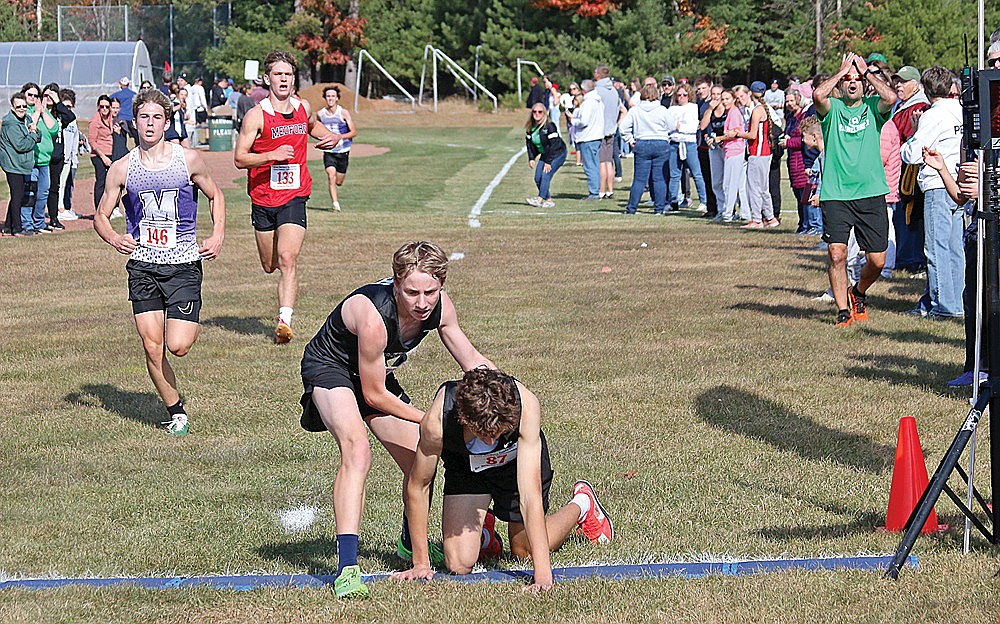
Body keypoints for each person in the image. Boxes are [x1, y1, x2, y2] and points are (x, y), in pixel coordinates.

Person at [298, 241, 494, 598]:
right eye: (412, 292)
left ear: (441, 286)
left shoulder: (439, 307)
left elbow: (471, 359)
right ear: (395, 282)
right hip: (330, 369)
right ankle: (347, 569)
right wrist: (431, 420)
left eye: (430, 292)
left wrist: (509, 393)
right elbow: (373, 396)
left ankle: (410, 545)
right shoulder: (373, 315)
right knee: (357, 450)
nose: (422, 302)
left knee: (423, 460)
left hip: (373, 373)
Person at [390, 367, 614, 593]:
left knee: (524, 551)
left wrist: (543, 577)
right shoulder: (437, 421)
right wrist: (420, 563)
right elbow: (419, 486)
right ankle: (484, 534)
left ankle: (582, 505)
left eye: (496, 433)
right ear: (464, 418)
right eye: (482, 433)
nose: (488, 442)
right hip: (467, 468)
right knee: (458, 563)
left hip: (514, 464)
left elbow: (530, 495)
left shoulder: (526, 405)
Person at [93, 88, 226, 436]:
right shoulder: (122, 168)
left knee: (178, 346)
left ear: (167, 122)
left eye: (156, 118)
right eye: (144, 117)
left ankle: (176, 389)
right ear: (134, 122)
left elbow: (216, 195)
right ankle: (176, 412)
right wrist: (115, 237)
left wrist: (217, 235)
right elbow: (101, 216)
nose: (149, 124)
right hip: (143, 265)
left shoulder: (189, 160)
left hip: (182, 264)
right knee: (152, 347)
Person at [235, 50, 339, 344]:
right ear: (267, 79)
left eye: (289, 74)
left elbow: (311, 126)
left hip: (295, 194)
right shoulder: (256, 115)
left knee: (288, 258)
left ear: (294, 79)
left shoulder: (303, 107)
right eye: (278, 74)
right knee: (270, 265)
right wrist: (272, 155)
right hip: (263, 197)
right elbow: (240, 158)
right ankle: (281, 302)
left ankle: (284, 321)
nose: (284, 79)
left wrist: (326, 134)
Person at [813, 52, 896, 327]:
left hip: (871, 192)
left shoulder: (874, 107)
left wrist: (867, 72)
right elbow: (817, 96)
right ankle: (842, 311)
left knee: (878, 260)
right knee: (837, 254)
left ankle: (857, 292)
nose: (852, 84)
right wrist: (841, 71)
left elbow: (891, 98)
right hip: (837, 194)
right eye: (848, 80)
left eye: (856, 80)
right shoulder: (832, 109)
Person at [900, 66, 965, 319]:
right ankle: (957, 300)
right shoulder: (960, 111)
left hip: (937, 183)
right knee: (954, 247)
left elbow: (914, 153)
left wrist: (912, 137)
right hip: (957, 182)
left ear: (926, 90)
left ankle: (944, 305)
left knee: (937, 248)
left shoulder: (933, 114)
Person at [728, 81, 779, 228]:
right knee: (762, 187)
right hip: (763, 152)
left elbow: (752, 135)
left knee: (754, 187)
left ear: (751, 93)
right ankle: (770, 218)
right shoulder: (763, 108)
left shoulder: (757, 110)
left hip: (758, 152)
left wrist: (737, 134)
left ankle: (756, 219)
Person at [619, 83, 671, 215]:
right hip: (660, 143)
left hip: (641, 143)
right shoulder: (662, 110)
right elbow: (671, 126)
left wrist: (630, 140)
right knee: (659, 178)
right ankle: (659, 209)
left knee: (639, 179)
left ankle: (631, 208)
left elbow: (623, 128)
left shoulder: (636, 110)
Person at [0, 93, 41, 236]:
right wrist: (33, 134)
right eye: (19, 106)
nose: (22, 109)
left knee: (17, 195)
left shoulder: (27, 118)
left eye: (24, 106)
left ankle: (8, 226)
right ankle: (17, 229)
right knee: (17, 195)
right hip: (12, 164)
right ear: (12, 107)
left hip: (21, 164)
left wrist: (34, 133)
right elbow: (21, 145)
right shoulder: (10, 123)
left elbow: (38, 134)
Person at [23, 83, 60, 235]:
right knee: (29, 193)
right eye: (30, 95)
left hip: (45, 161)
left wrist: (43, 112)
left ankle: (39, 222)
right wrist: (37, 112)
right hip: (31, 161)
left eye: (36, 95)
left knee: (43, 192)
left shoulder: (44, 112)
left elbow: (54, 129)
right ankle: (27, 223)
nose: (33, 98)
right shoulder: (24, 111)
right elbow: (28, 125)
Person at [666, 83, 708, 212]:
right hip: (674, 143)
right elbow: (668, 126)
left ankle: (703, 201)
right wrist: (675, 128)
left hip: (689, 143)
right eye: (679, 95)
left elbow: (693, 127)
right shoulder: (672, 109)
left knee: (696, 173)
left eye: (685, 94)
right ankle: (673, 201)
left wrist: (680, 127)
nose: (682, 97)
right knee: (674, 174)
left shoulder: (693, 107)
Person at [317, 85, 357, 212]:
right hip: (329, 152)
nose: (330, 98)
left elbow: (353, 132)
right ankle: (335, 204)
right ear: (325, 98)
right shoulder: (320, 114)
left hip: (343, 151)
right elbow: (317, 130)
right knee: (331, 176)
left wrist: (339, 137)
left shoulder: (343, 113)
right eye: (328, 96)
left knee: (339, 181)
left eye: (333, 96)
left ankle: (337, 190)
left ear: (337, 98)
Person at [714, 88, 748, 223]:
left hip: (735, 150)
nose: (724, 101)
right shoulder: (732, 112)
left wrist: (719, 138)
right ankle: (746, 213)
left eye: (727, 99)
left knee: (729, 184)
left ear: (733, 99)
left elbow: (734, 133)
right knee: (739, 184)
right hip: (733, 150)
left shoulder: (734, 112)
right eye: (723, 99)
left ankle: (727, 214)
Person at [524, 102, 567, 208]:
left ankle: (539, 200)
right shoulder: (530, 128)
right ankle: (549, 200)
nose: (537, 114)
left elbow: (555, 145)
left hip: (557, 153)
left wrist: (548, 162)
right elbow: (529, 145)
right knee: (538, 178)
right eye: (534, 111)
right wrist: (531, 158)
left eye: (540, 112)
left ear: (544, 113)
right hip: (546, 154)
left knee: (545, 175)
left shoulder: (550, 126)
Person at [571, 79, 605, 201]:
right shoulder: (598, 101)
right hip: (596, 136)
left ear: (584, 90)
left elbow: (584, 121)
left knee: (590, 166)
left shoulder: (589, 102)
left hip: (588, 137)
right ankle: (596, 191)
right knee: (595, 165)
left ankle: (594, 192)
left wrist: (573, 121)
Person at [56, 88, 82, 224]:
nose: (68, 110)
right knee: (58, 185)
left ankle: (66, 207)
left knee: (67, 185)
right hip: (60, 158)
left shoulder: (72, 120)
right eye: (65, 106)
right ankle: (59, 209)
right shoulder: (59, 119)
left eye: (70, 107)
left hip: (69, 159)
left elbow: (75, 138)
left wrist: (74, 159)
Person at [701, 84, 728, 215]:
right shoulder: (709, 110)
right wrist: (710, 108)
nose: (716, 97)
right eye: (714, 94)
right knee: (716, 181)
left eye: (719, 94)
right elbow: (703, 126)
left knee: (727, 181)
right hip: (714, 148)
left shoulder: (728, 110)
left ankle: (731, 209)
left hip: (727, 147)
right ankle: (720, 209)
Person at [89, 94, 115, 211]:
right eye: (102, 106)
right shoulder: (95, 120)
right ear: (98, 107)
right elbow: (92, 141)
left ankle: (110, 207)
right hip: (99, 154)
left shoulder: (110, 118)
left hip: (110, 153)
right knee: (101, 181)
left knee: (111, 182)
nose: (104, 109)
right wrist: (103, 156)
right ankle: (99, 209)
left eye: (107, 106)